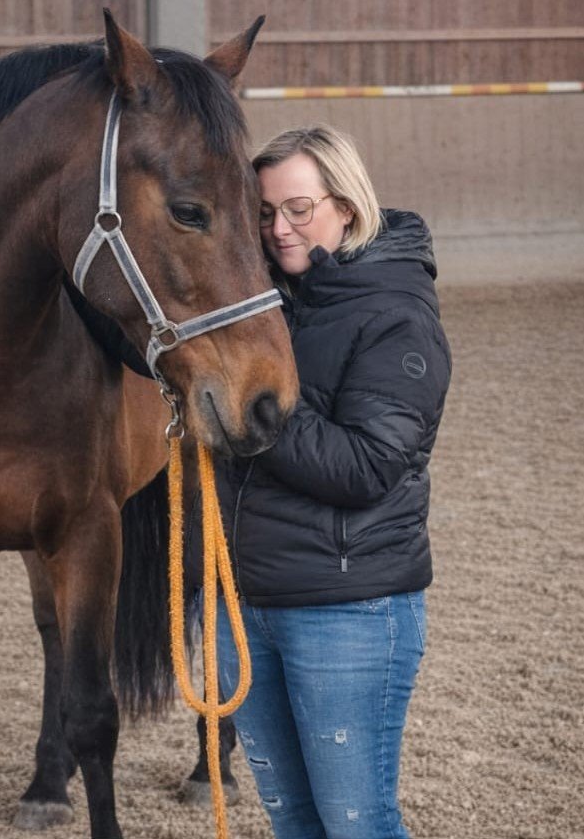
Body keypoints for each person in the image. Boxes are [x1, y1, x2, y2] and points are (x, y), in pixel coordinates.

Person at [188, 124, 451, 839]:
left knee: (356, 823)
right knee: (293, 822)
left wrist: (252, 407)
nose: (277, 229)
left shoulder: (395, 314)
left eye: (296, 208)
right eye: (264, 212)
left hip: (347, 609)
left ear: (346, 203)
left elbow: (365, 466)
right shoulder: (262, 307)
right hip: (246, 607)